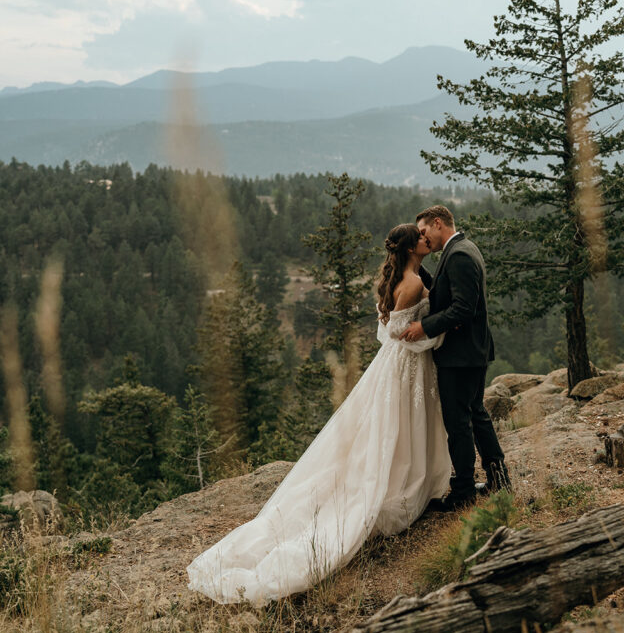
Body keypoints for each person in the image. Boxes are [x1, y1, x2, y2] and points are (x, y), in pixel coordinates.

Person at [186, 223, 451, 605]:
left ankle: (408, 478)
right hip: (405, 364)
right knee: (398, 426)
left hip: (402, 364)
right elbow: (396, 332)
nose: (428, 240)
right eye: (422, 238)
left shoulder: (410, 276)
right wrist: (434, 335)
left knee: (399, 426)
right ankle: (400, 486)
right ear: (412, 248)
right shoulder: (410, 283)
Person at [399, 204, 510, 509]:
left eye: (423, 232)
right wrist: (413, 264)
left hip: (460, 355)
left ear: (438, 223)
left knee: (459, 423)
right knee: (476, 414)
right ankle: (499, 480)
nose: (423, 238)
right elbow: (446, 292)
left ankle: (462, 492)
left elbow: (463, 307)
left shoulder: (459, 254)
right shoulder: (463, 247)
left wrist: (425, 326)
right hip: (471, 351)